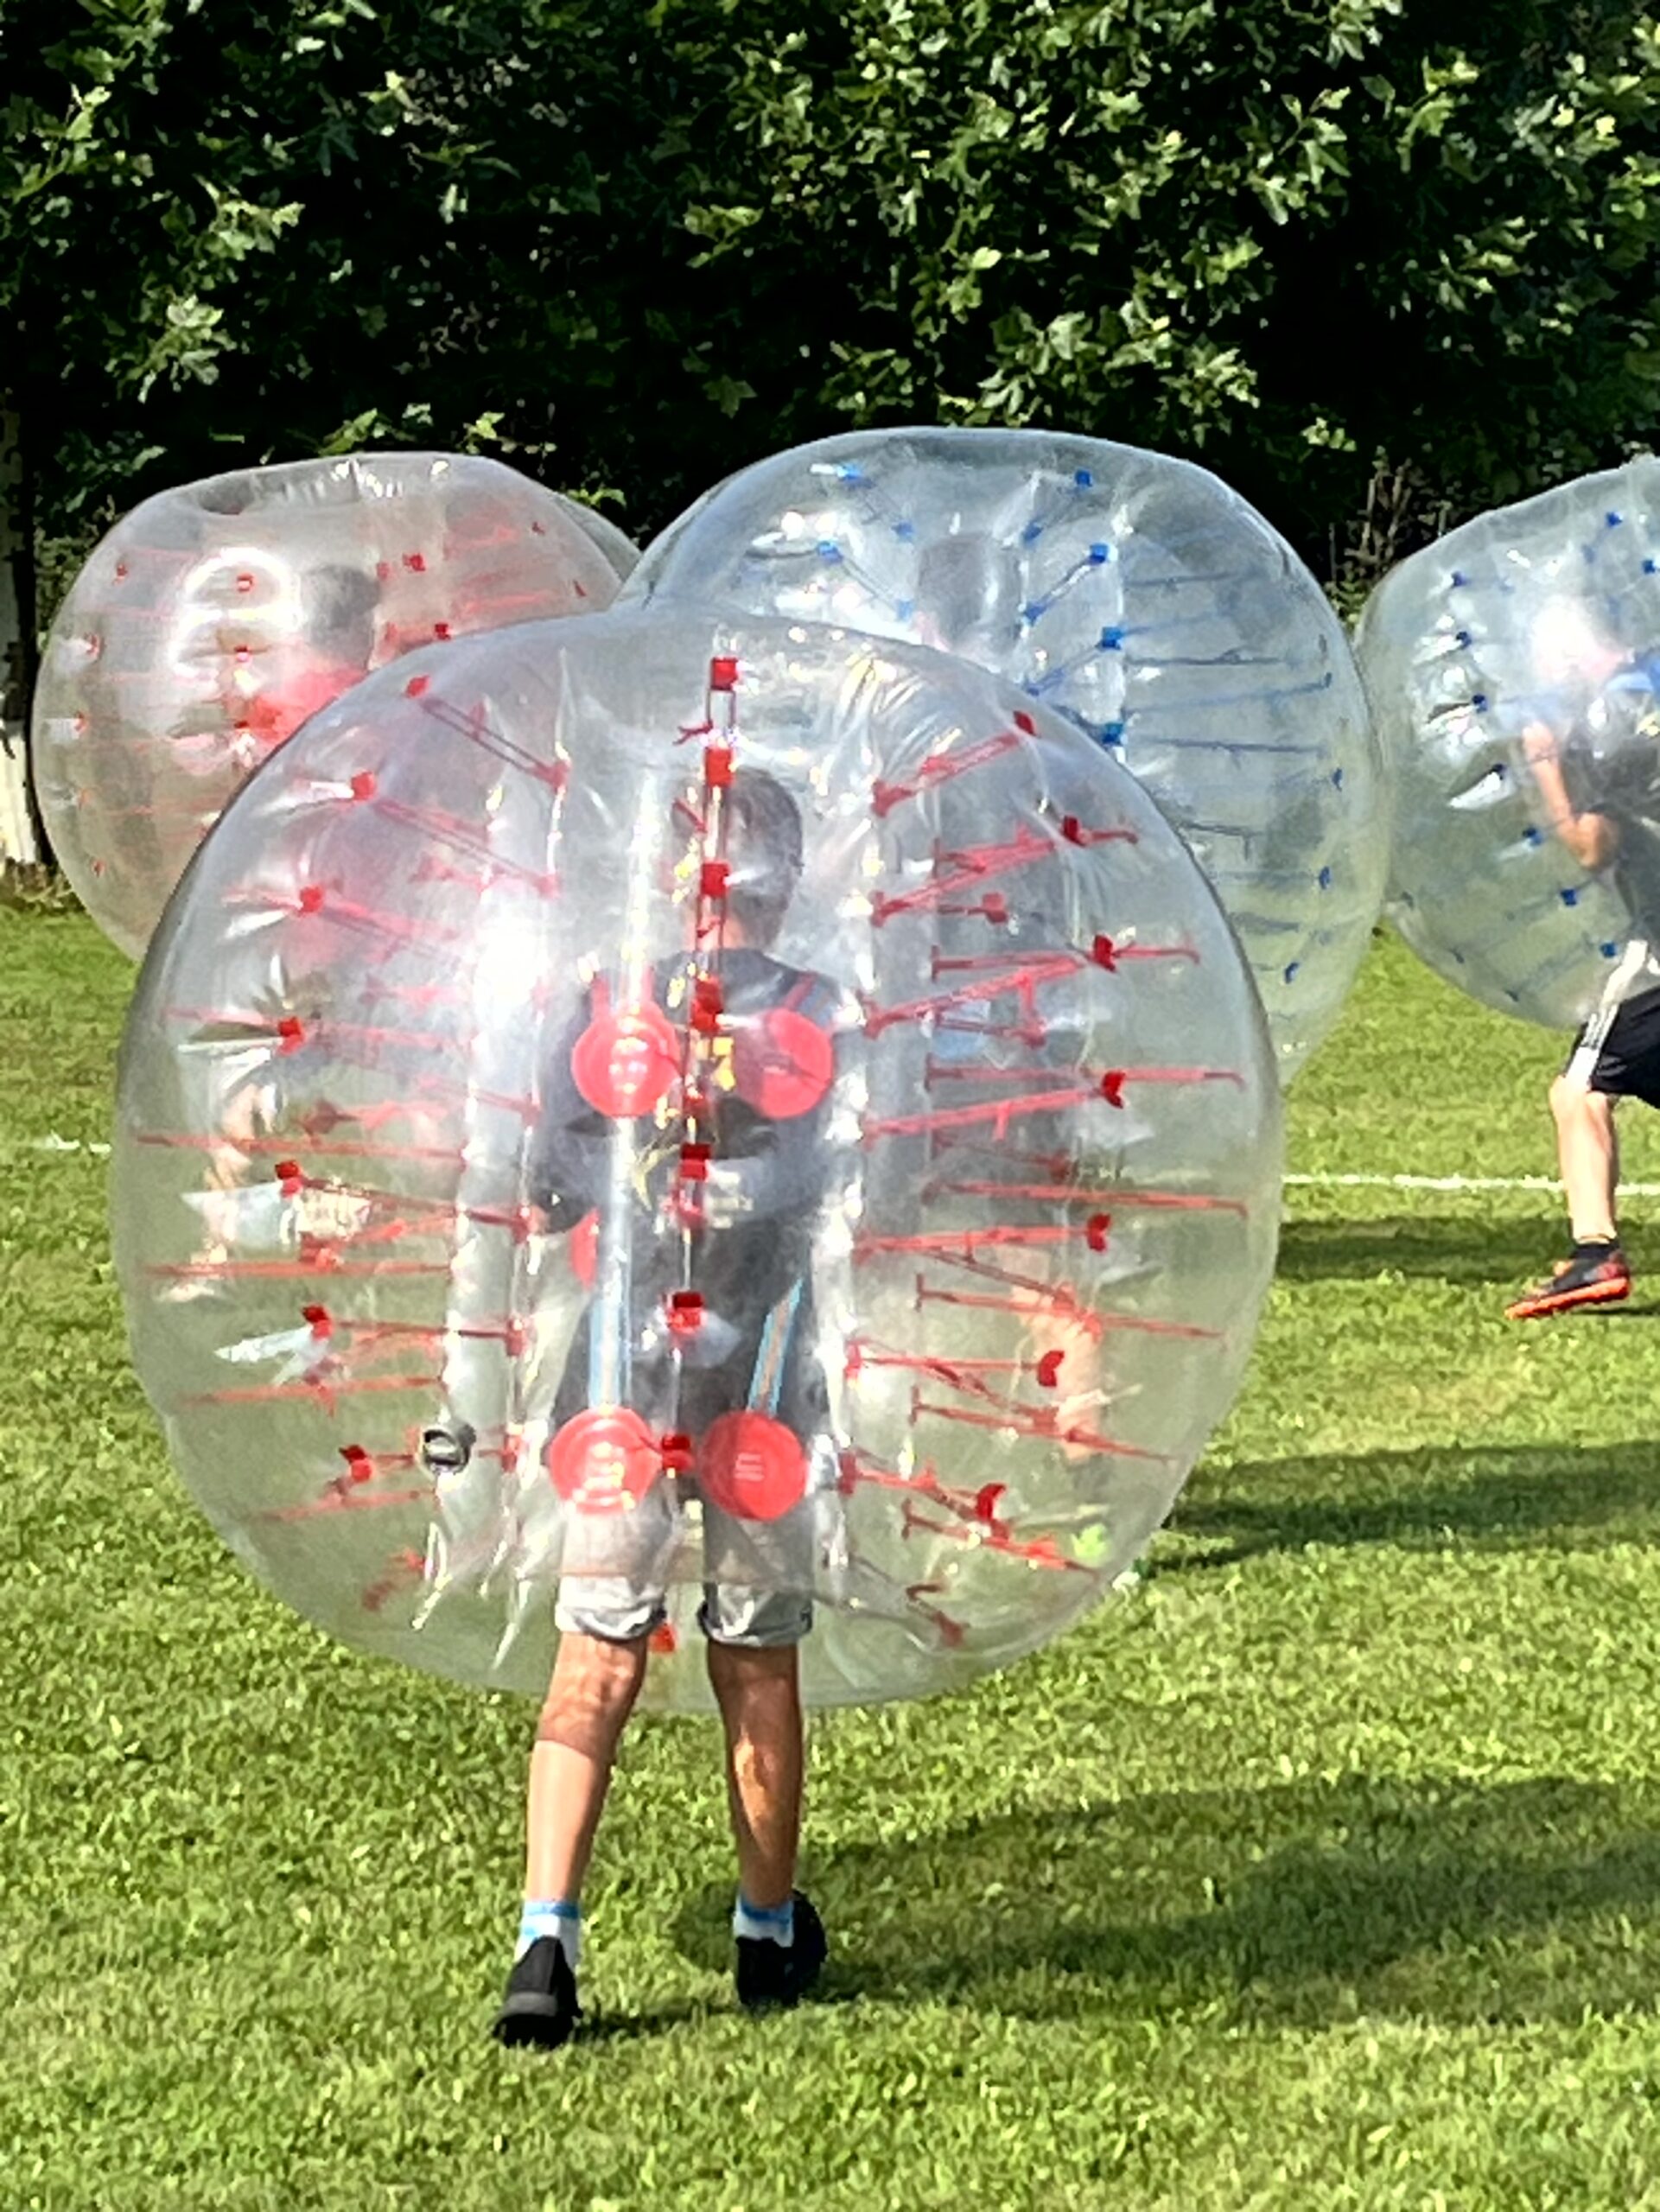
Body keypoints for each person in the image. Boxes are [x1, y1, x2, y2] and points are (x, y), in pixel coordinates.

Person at [492, 770, 841, 2049]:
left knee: (595, 1654)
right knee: (756, 1662)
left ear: (664, 879)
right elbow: (851, 1178)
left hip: (619, 1398)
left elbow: (542, 1187)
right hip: (766, 1394)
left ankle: (546, 1939)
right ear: (787, 885)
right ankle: (763, 1933)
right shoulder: (826, 1014)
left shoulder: (606, 1003)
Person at [1507, 657, 1660, 1319]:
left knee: (1580, 1090)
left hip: (1655, 958)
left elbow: (1590, 846)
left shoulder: (1622, 735)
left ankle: (1594, 1252)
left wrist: (1544, 762)